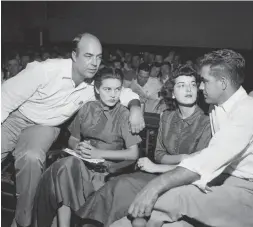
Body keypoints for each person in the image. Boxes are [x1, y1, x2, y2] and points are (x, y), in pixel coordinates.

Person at [112, 49, 253, 227]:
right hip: (222, 186)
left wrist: (154, 186)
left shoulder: (247, 110)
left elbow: (210, 158)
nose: (200, 87)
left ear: (223, 83)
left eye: (205, 81)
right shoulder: (217, 107)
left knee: (173, 198)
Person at [1, 33, 144, 227]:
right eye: (88, 56)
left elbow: (123, 92)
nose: (94, 63)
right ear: (74, 56)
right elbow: (5, 98)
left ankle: (23, 222)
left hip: (44, 126)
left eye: (99, 57)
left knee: (31, 157)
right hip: (14, 116)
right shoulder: (45, 70)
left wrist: (135, 108)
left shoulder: (93, 84)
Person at [75, 65, 212, 227]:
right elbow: (160, 155)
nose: (188, 89)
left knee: (140, 217)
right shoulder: (166, 117)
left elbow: (199, 168)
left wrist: (158, 167)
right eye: (181, 85)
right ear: (173, 93)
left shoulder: (207, 122)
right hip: (159, 174)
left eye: (193, 84)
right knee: (119, 184)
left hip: (186, 182)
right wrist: (184, 158)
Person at [32, 67, 142, 227]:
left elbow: (133, 154)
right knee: (67, 166)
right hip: (83, 166)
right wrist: (78, 147)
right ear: (97, 89)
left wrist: (98, 153)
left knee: (66, 170)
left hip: (107, 172)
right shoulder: (87, 108)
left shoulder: (123, 114)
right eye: (107, 89)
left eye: (117, 89)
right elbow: (73, 138)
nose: (113, 94)